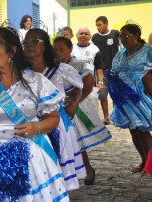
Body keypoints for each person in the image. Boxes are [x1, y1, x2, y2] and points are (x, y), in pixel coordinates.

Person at [0, 27, 69, 201]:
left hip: (31, 156)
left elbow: (54, 119)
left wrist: (36, 127)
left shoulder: (36, 82)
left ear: (12, 50)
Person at [24, 28, 86, 190]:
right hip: (31, 126)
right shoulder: (21, 72)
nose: (29, 45)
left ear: (45, 46)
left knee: (58, 170)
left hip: (57, 125)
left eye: (34, 41)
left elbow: (78, 87)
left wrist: (73, 103)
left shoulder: (59, 69)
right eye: (26, 41)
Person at [53, 36, 112, 185]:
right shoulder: (52, 66)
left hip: (75, 108)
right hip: (58, 108)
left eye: (62, 49)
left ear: (70, 49)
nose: (58, 52)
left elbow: (89, 80)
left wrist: (76, 101)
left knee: (77, 142)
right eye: (55, 49)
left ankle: (87, 169)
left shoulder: (77, 64)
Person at [106, 22, 152, 173]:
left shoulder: (148, 51)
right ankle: (144, 161)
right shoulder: (120, 53)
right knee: (134, 130)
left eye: (126, 35)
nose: (123, 39)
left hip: (142, 95)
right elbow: (114, 70)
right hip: (124, 98)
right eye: (121, 36)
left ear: (136, 35)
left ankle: (150, 165)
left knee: (142, 130)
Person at [92, 16, 121, 125]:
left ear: (106, 23)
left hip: (114, 70)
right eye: (97, 25)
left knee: (116, 94)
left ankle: (117, 116)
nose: (98, 27)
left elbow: (122, 49)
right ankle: (106, 117)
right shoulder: (95, 37)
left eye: (100, 25)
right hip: (101, 71)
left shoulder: (115, 34)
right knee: (103, 95)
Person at [72, 26, 104, 112]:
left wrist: (100, 82)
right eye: (81, 33)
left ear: (90, 36)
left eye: (86, 34)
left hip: (90, 85)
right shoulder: (71, 49)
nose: (83, 35)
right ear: (76, 35)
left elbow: (99, 67)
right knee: (75, 110)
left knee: (92, 111)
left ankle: (93, 125)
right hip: (73, 86)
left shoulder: (95, 49)